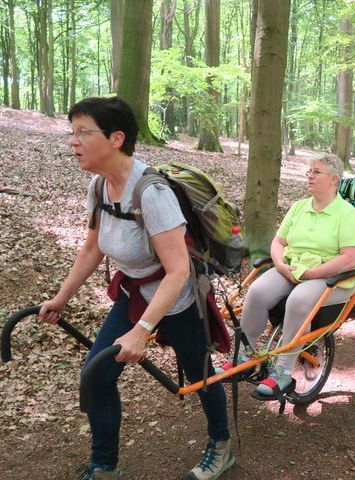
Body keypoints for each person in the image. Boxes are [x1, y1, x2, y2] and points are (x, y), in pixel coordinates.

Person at [36, 97, 232, 480]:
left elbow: (176, 271)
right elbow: (92, 247)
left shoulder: (152, 194)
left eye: (82, 132)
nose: (72, 141)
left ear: (115, 138)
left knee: (200, 377)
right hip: (133, 295)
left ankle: (221, 444)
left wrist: (142, 331)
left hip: (177, 302)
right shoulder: (100, 185)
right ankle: (104, 466)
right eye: (71, 132)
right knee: (97, 376)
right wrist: (61, 299)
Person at [217, 153, 355, 397]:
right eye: (309, 171)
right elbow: (278, 242)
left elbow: (350, 258)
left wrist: (312, 273)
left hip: (329, 275)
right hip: (292, 268)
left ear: (334, 179)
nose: (309, 176)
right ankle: (244, 356)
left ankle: (283, 372)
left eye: (317, 172)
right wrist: (281, 265)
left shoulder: (346, 214)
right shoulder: (299, 207)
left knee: (297, 300)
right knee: (257, 291)